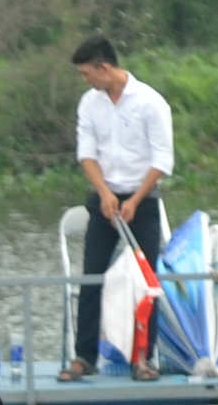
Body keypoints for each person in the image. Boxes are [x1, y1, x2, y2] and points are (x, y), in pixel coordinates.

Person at [64, 37, 177, 382]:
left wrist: (134, 199)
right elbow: (87, 153)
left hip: (142, 199)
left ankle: (144, 357)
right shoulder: (90, 103)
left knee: (147, 282)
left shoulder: (150, 103)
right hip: (104, 200)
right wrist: (104, 193)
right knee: (92, 277)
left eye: (88, 74)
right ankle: (84, 356)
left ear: (105, 68)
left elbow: (162, 159)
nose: (86, 81)